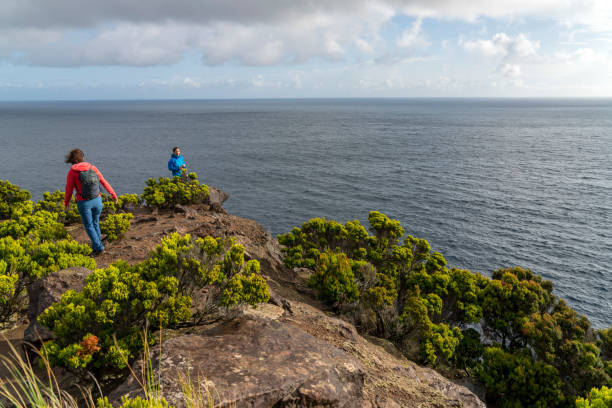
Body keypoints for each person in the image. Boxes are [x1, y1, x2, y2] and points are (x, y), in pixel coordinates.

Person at [64, 148, 117, 255]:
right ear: (82, 157)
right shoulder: (93, 168)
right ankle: (97, 245)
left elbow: (69, 189)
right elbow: (104, 182)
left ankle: (99, 247)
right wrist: (113, 194)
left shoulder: (72, 172)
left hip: (84, 203)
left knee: (89, 226)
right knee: (95, 223)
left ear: (72, 160)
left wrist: (66, 203)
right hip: (97, 200)